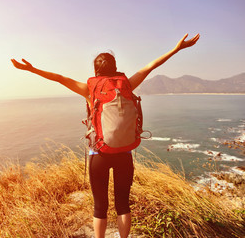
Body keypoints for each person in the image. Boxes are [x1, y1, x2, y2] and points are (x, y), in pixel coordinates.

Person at [11, 33, 200, 238]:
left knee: (100, 206)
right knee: (123, 204)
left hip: (99, 154)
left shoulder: (89, 89)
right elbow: (150, 66)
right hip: (124, 153)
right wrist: (176, 48)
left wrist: (31, 69)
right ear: (115, 67)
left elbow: (59, 78)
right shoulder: (126, 85)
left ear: (95, 70)